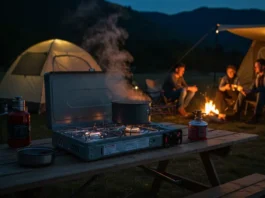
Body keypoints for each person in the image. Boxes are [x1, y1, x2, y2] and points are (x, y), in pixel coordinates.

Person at [233, 58, 265, 124]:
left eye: (257, 66)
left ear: (263, 67)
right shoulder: (258, 76)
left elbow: (263, 89)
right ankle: (236, 114)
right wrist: (245, 90)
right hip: (257, 95)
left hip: (263, 96)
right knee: (242, 94)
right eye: (255, 67)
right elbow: (252, 87)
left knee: (260, 93)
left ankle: (256, 116)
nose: (255, 68)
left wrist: (253, 91)